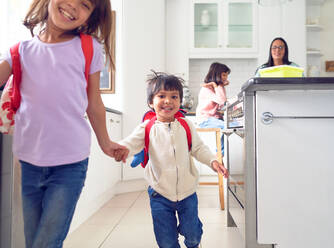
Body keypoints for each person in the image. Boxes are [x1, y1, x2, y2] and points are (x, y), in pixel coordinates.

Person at [0, 0, 128, 247]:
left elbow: (94, 101)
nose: (73, 6)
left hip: (70, 163)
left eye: (85, 5)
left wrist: (105, 142)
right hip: (29, 162)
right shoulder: (20, 50)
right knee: (34, 240)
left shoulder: (89, 47)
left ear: (90, 17)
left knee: (46, 241)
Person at [114, 71, 229, 248]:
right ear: (151, 102)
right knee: (166, 241)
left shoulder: (186, 125)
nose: (168, 101)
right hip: (159, 193)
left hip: (187, 192)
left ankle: (194, 238)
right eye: (161, 96)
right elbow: (131, 143)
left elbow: (198, 148)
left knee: (193, 235)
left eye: (174, 96)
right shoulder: (147, 127)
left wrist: (213, 161)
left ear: (179, 101)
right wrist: (121, 149)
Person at [195, 62, 230, 155]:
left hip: (212, 119)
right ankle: (219, 156)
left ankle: (220, 157)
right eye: (224, 75)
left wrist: (218, 86)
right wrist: (219, 85)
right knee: (227, 126)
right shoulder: (207, 89)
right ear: (216, 74)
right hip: (204, 120)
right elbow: (222, 101)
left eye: (226, 75)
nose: (226, 78)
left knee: (226, 127)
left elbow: (223, 104)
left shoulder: (215, 88)